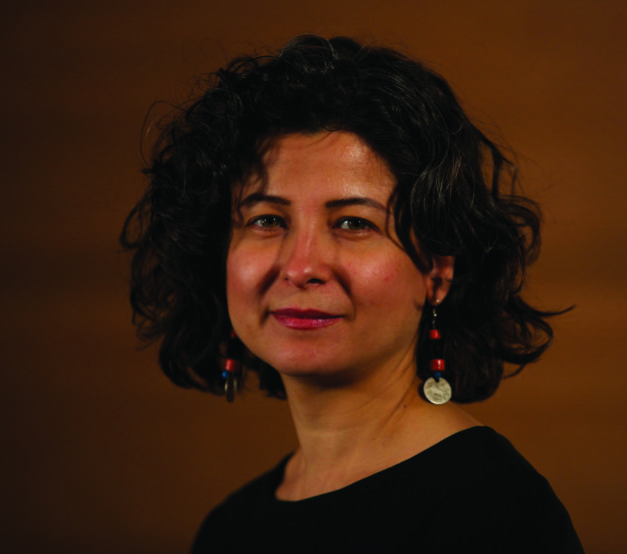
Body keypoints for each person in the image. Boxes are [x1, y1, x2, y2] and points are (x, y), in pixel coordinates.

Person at [121, 35, 584, 553]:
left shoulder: (496, 512)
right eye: (267, 220)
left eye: (353, 223)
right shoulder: (228, 529)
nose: (301, 267)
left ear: (436, 272)